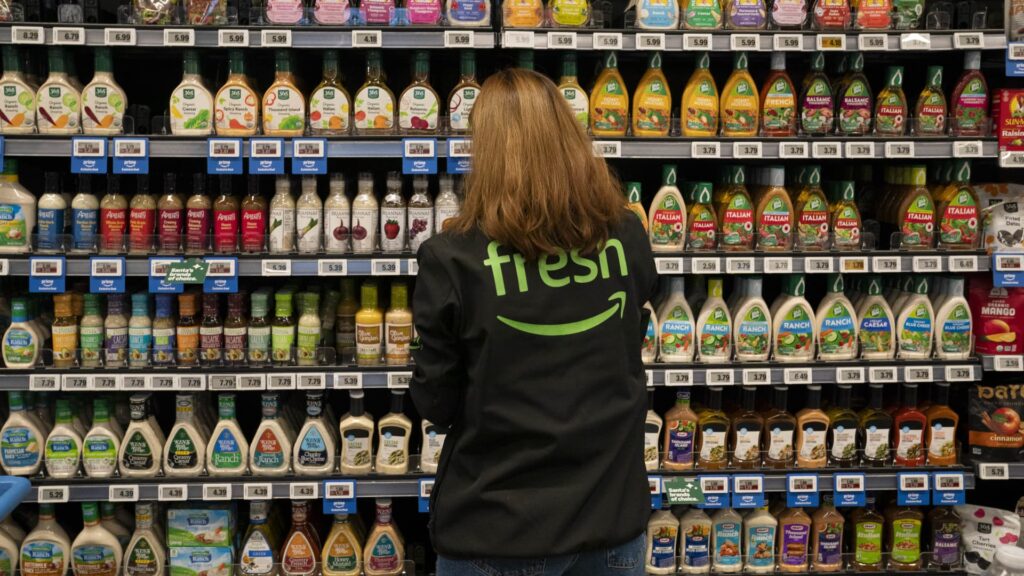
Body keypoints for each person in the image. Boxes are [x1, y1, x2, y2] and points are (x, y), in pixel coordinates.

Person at [411, 67, 658, 575]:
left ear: (486, 153)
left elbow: (436, 402)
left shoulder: (453, 258)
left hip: (498, 527)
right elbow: (626, 351)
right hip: (610, 518)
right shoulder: (626, 236)